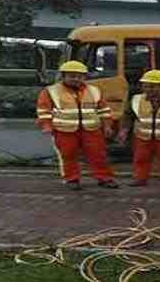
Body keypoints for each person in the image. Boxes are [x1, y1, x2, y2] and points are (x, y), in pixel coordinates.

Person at [36, 60, 119, 190]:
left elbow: (103, 110)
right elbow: (44, 111)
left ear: (84, 77)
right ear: (63, 76)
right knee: (68, 155)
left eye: (80, 76)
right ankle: (71, 179)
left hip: (92, 129)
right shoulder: (50, 91)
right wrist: (46, 126)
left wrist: (107, 126)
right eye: (72, 76)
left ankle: (105, 178)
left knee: (98, 154)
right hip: (64, 130)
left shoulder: (94, 90)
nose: (76, 79)